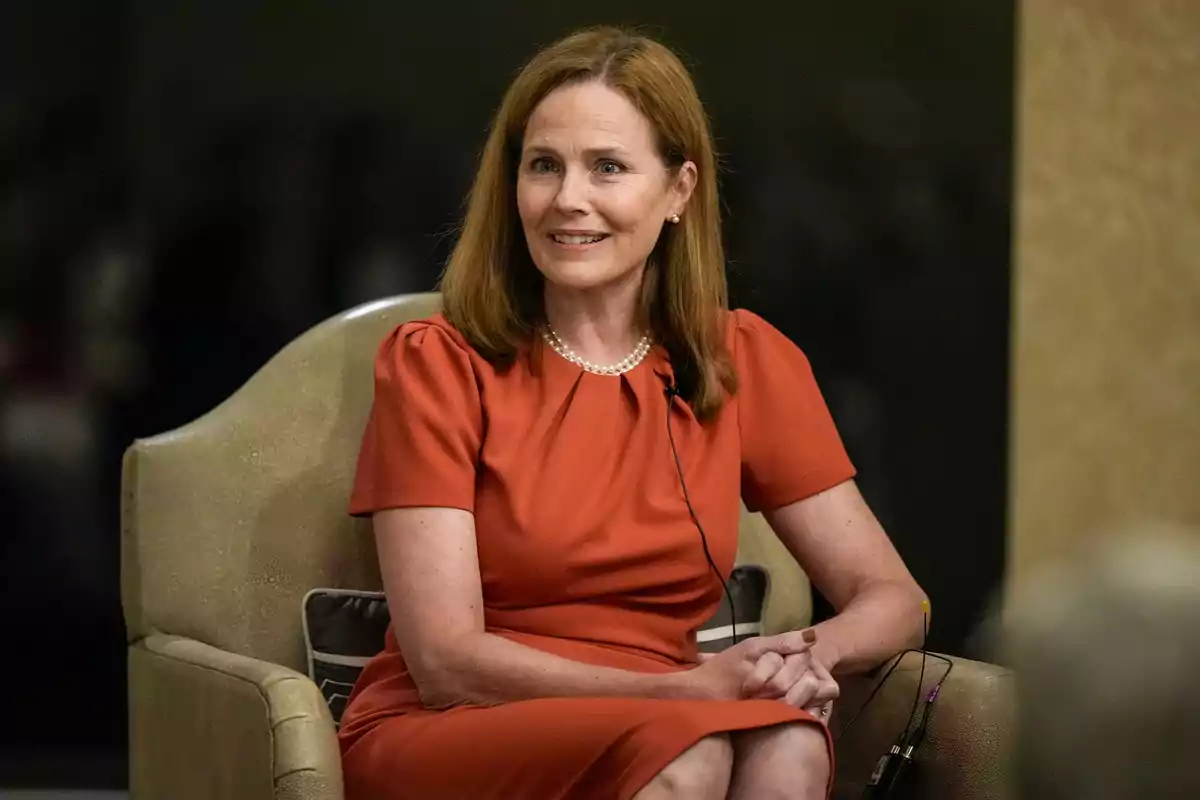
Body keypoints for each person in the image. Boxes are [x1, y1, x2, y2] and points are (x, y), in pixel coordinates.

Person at [340, 26, 927, 800]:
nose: (567, 199)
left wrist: (798, 657)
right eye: (543, 165)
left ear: (678, 191)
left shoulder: (740, 360)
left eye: (607, 168)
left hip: (676, 714)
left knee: (789, 741)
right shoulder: (440, 363)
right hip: (460, 723)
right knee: (689, 755)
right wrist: (689, 695)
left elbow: (895, 599)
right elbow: (447, 662)